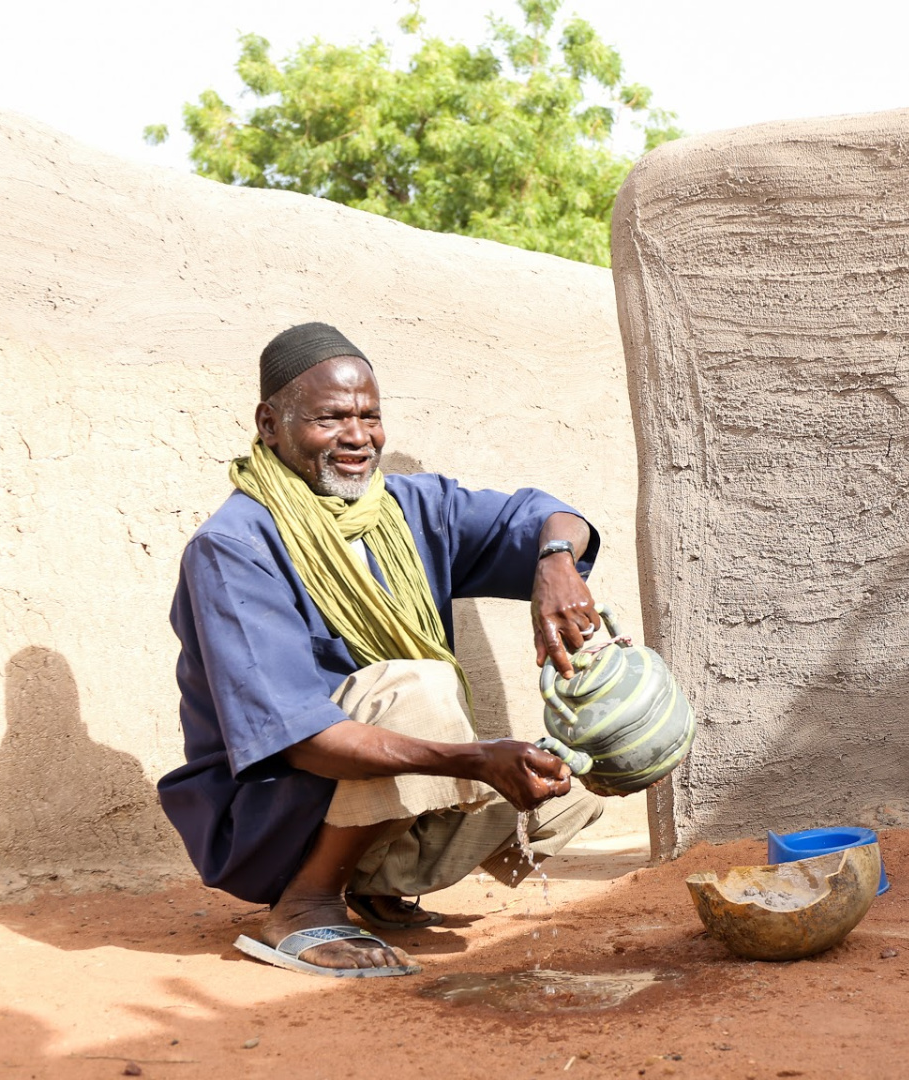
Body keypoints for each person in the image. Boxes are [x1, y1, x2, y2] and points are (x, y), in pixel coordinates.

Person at [158, 322, 606, 977]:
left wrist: (556, 561)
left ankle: (378, 877)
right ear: (270, 423)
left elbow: (543, 516)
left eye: (370, 416)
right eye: (332, 417)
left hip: (366, 795)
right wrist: (478, 758)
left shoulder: (405, 509)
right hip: (272, 814)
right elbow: (299, 740)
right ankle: (305, 902)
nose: (359, 437)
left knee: (577, 778)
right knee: (420, 691)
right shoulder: (235, 548)